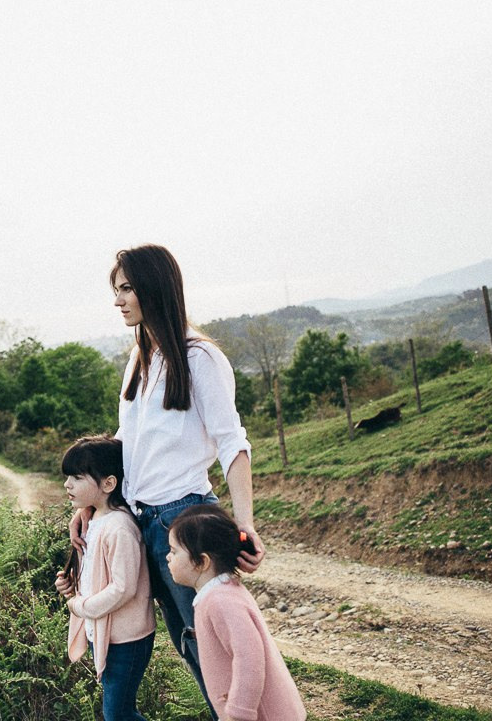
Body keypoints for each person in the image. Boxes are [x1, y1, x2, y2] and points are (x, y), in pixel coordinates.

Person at [71, 243, 265, 717]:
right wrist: (90, 504)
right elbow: (126, 442)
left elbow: (232, 442)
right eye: (115, 290)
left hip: (186, 517)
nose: (118, 300)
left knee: (213, 650)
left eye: (127, 288)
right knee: (188, 645)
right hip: (144, 523)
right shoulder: (139, 359)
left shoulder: (200, 358)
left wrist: (244, 524)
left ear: (154, 287)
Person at [167, 504, 306, 721]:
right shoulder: (218, 594)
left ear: (202, 562)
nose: (168, 557)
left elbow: (249, 657)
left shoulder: (220, 601)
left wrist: (238, 714)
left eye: (174, 551)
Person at [55, 435, 155, 721]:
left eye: (76, 477)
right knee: (118, 712)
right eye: (67, 477)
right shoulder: (95, 519)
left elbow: (123, 588)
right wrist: (71, 584)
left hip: (127, 640)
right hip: (110, 636)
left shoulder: (119, 527)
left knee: (118, 714)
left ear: (108, 484)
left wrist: (80, 606)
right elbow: (97, 573)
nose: (67, 485)